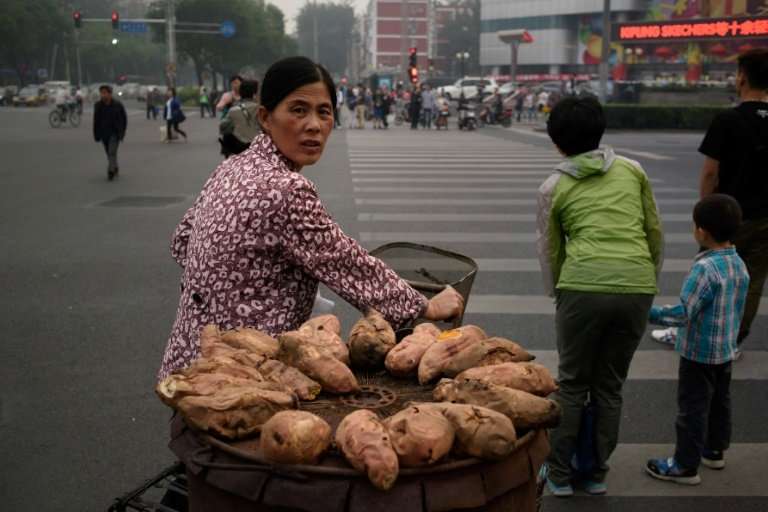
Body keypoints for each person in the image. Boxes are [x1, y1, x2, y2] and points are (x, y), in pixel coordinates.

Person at [158, 56, 464, 381]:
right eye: (298, 110)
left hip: (187, 358)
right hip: (242, 374)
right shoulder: (287, 188)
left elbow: (182, 243)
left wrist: (243, 282)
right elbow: (344, 262)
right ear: (265, 117)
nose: (314, 125)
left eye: (324, 111)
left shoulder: (232, 167)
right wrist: (424, 307)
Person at [536, 96, 663, 497]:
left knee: (572, 383)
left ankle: (558, 475)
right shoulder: (633, 170)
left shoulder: (553, 186)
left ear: (556, 141)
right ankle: (595, 473)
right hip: (637, 285)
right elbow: (653, 231)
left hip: (582, 286)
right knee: (609, 384)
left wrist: (559, 291)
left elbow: (550, 250)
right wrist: (644, 279)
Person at [653, 49, 768, 357]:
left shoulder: (728, 119)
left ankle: (685, 331)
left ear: (742, 77)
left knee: (707, 276)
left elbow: (710, 173)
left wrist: (704, 213)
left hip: (727, 216)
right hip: (765, 218)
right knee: (752, 281)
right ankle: (732, 340)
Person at [645, 195, 749, 485]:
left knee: (692, 407)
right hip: (725, 349)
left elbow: (684, 313)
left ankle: (684, 466)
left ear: (701, 231)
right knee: (720, 402)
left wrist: (648, 311)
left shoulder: (704, 268)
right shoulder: (739, 264)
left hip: (698, 353)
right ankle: (714, 450)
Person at [92, 85, 127, 181]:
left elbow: (124, 119)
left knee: (112, 152)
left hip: (115, 133)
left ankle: (110, 170)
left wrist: (122, 132)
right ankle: (114, 166)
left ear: (110, 94)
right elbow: (96, 121)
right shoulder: (98, 106)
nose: (103, 95)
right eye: (101, 93)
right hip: (104, 133)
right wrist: (96, 134)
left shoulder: (118, 105)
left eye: (105, 93)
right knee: (109, 152)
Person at [219, 79, 261, 157]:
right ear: (254, 94)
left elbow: (223, 127)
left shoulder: (233, 110)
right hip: (260, 148)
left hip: (239, 148)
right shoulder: (262, 110)